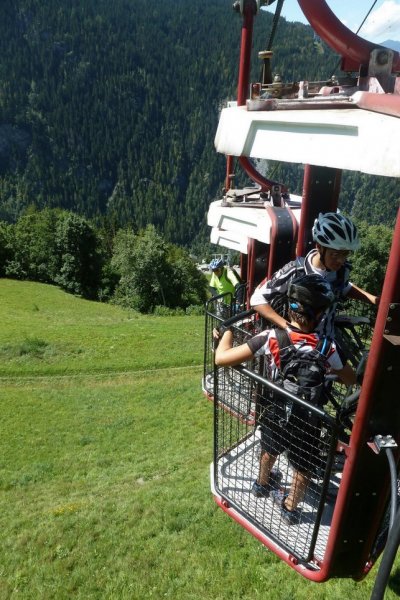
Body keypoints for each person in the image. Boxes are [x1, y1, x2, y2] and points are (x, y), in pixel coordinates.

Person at [215, 273, 356, 526]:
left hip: (278, 409)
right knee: (304, 466)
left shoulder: (272, 338)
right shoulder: (328, 348)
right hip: (310, 417)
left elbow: (222, 358)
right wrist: (328, 370)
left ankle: (261, 483)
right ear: (320, 315)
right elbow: (350, 379)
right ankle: (291, 508)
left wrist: (225, 331)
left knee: (269, 448)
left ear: (290, 308)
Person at [250, 212, 379, 338]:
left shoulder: (341, 271)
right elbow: (257, 299)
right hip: (298, 345)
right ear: (319, 247)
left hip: (326, 343)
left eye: (345, 254)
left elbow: (344, 287)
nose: (341, 260)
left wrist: (374, 300)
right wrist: (288, 327)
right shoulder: (296, 270)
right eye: (335, 254)